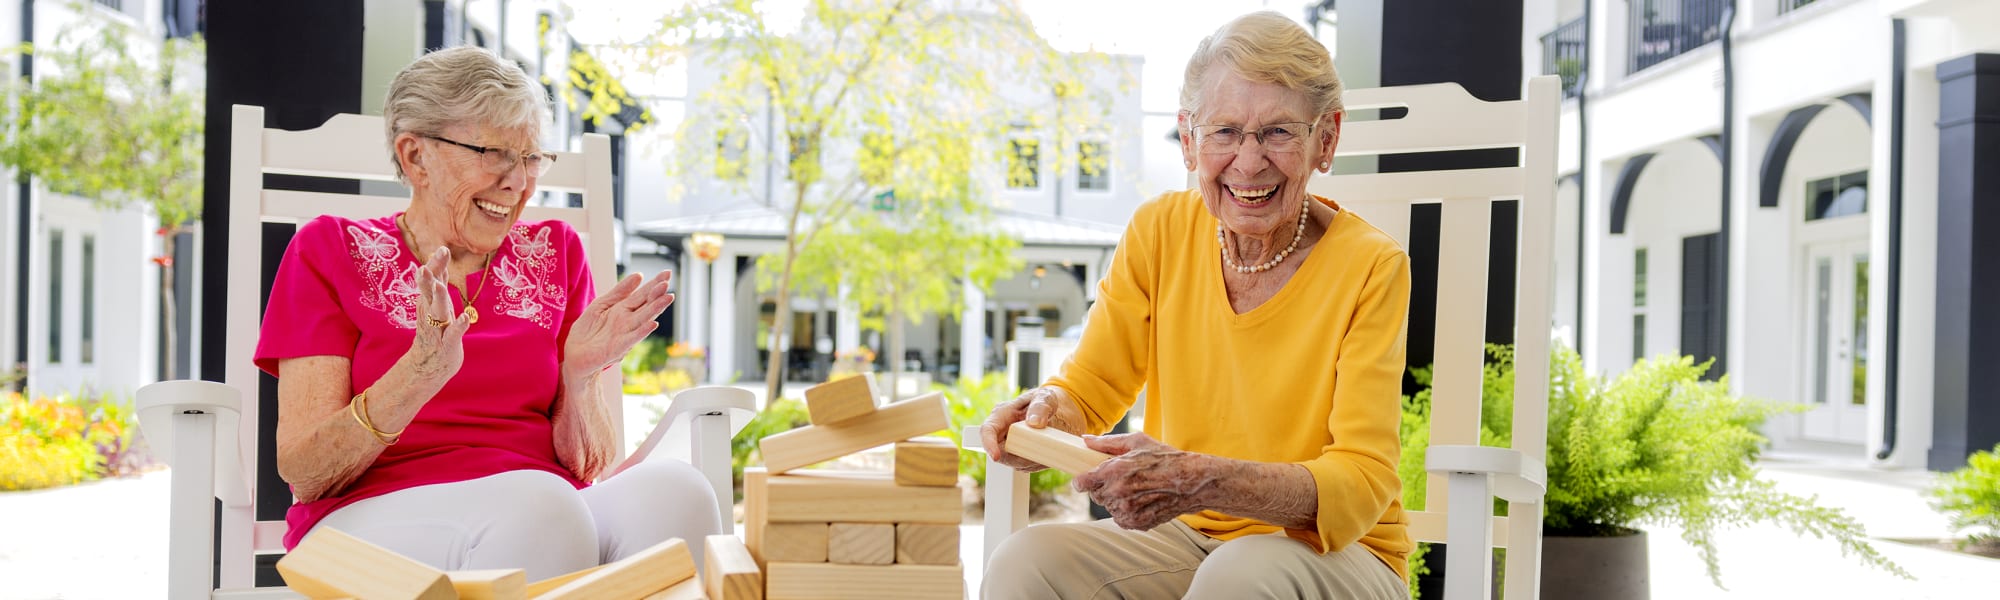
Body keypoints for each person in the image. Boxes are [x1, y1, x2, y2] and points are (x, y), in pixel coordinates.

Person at [980, 11, 1411, 599]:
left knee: (1235, 577)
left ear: (1326, 140)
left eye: (1279, 131)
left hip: (1335, 554)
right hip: (1189, 543)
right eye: (1225, 131)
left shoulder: (1371, 267)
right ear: (1189, 139)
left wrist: (1202, 478)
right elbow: (1092, 388)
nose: (1250, 160)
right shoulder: (1158, 231)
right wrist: (1046, 414)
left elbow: (1363, 480)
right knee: (1024, 561)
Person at [254, 46, 718, 580]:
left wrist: (580, 376)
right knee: (545, 508)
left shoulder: (555, 252)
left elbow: (589, 468)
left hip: (544, 509)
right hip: (369, 520)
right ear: (414, 157)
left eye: (529, 158)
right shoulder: (330, 249)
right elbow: (306, 473)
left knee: (679, 493)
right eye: (493, 153)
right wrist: (417, 374)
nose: (517, 182)